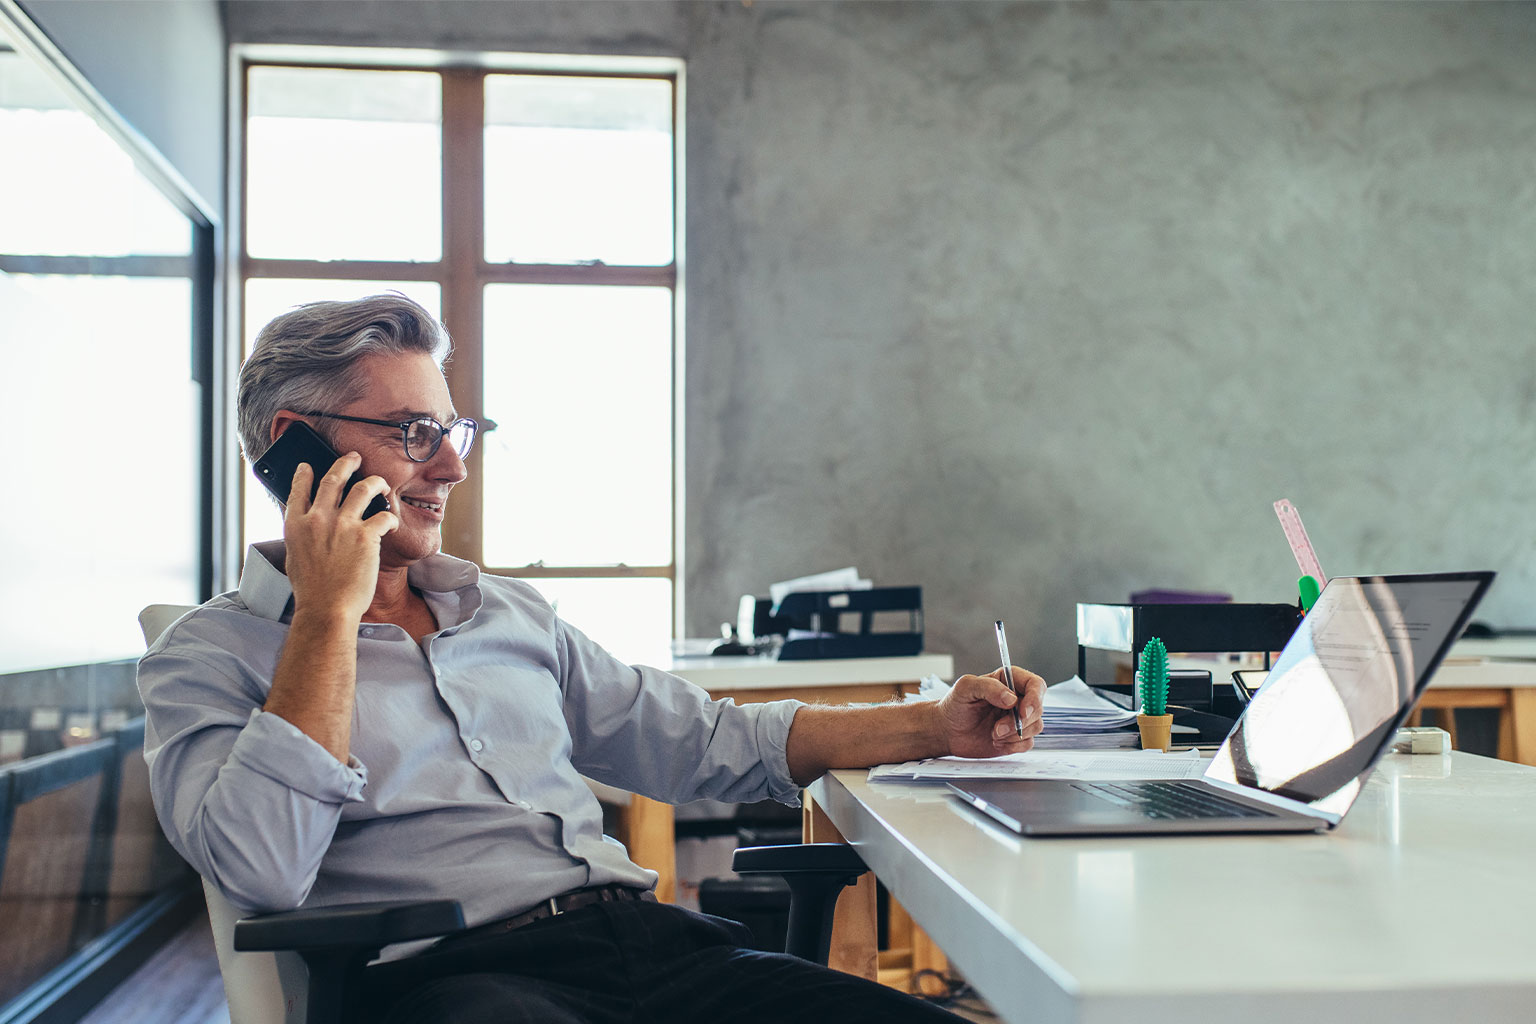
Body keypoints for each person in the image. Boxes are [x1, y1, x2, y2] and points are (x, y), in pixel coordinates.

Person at [138, 293, 1047, 1023]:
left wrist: (936, 723)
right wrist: (328, 616)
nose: (451, 468)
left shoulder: (505, 614)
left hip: (657, 950)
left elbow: (709, 742)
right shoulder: (207, 655)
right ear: (294, 447)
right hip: (459, 987)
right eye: (412, 433)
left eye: (454, 432)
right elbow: (260, 867)